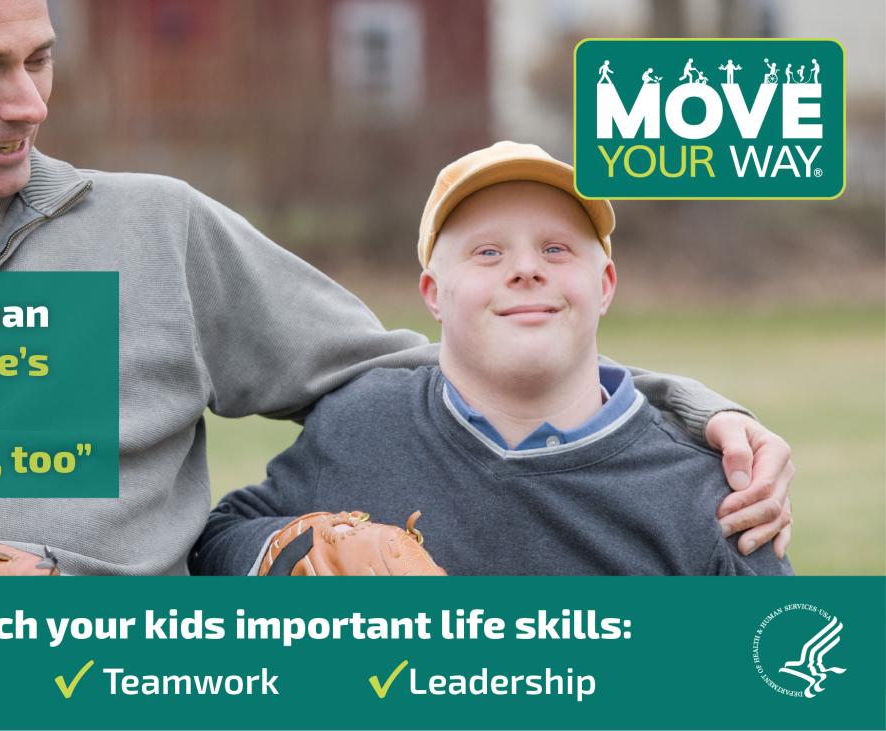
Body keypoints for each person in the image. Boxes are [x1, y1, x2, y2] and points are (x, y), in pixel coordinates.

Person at [0, 1, 793, 576]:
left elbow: (422, 368)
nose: (30, 104)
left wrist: (690, 416)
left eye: (42, 58)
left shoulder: (154, 232)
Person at [190, 142, 792, 576]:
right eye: (487, 252)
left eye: (556, 249)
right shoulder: (358, 425)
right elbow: (218, 543)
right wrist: (294, 549)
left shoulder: (706, 492)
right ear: (433, 294)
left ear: (605, 284)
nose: (526, 268)